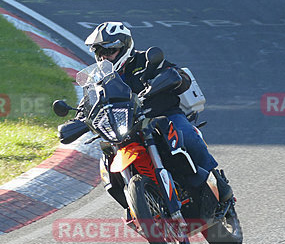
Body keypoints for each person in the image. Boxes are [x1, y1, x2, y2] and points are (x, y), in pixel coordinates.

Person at [83, 21, 232, 202]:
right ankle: (136, 206)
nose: (105, 58)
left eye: (109, 51)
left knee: (186, 133)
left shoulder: (146, 60)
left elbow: (178, 75)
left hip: (164, 115)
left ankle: (216, 180)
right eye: (100, 53)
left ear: (125, 46)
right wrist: (77, 119)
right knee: (107, 161)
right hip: (127, 127)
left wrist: (171, 78)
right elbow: (88, 103)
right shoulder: (98, 78)